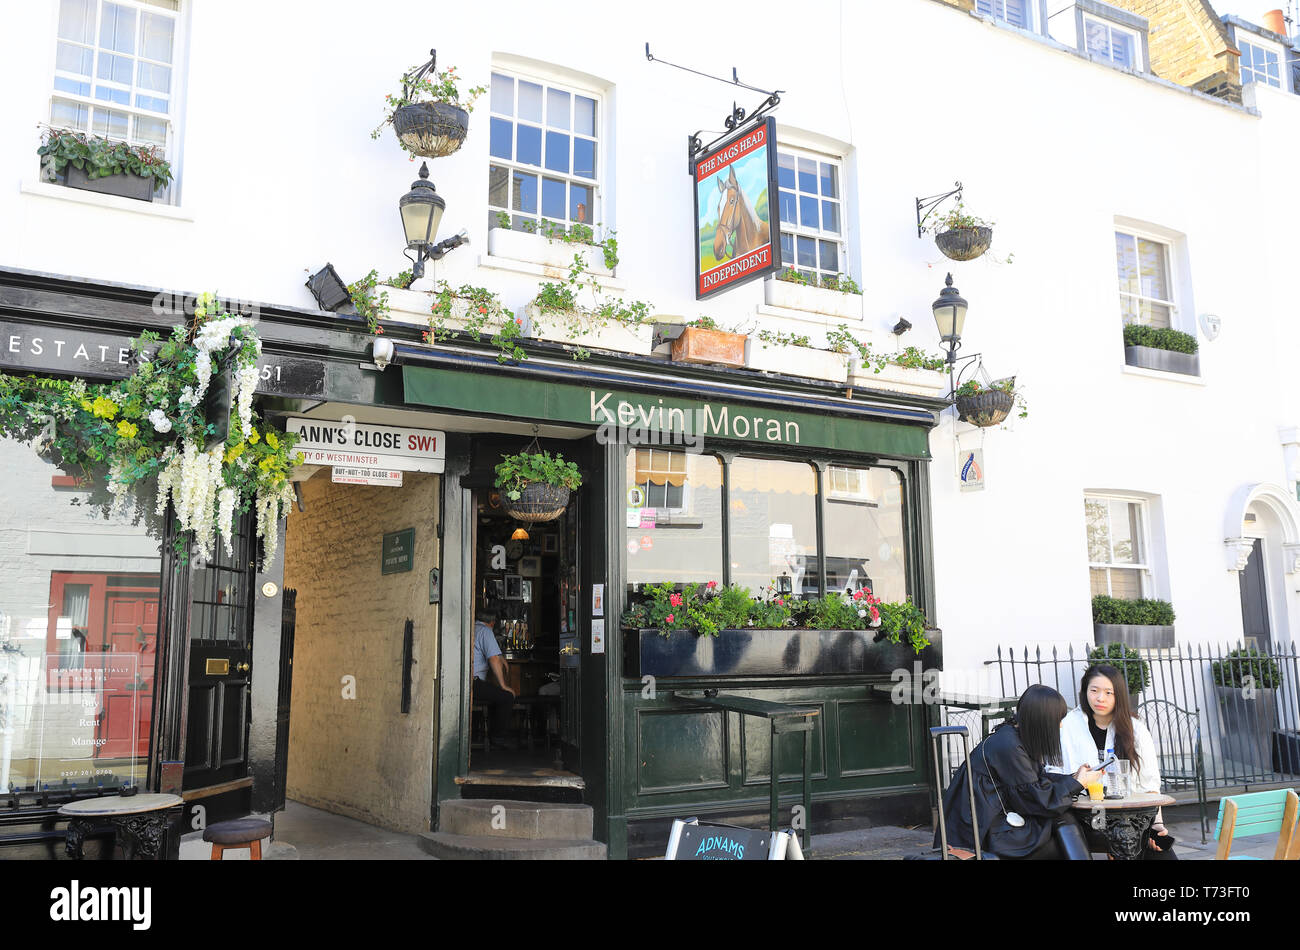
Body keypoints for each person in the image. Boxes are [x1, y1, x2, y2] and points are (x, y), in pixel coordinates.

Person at [937, 685, 1103, 859]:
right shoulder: (1008, 745)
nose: (1060, 726)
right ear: (1042, 720)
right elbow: (1036, 799)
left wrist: (1074, 778)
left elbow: (1034, 781)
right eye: (1057, 720)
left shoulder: (1014, 736)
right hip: (984, 832)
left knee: (1065, 820)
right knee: (1062, 827)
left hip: (998, 819)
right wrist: (1076, 784)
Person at [1057, 664, 1175, 859]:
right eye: (1094, 690)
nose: (1100, 698)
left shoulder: (1135, 730)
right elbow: (1057, 774)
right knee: (1124, 842)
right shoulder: (1068, 726)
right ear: (1085, 691)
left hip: (1130, 816)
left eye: (1108, 692)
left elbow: (1150, 784)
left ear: (1118, 695)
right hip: (1085, 817)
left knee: (1162, 854)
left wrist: (1157, 825)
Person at [472, 609, 516, 751]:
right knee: (507, 697)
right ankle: (499, 737)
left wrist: (500, 656)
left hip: (466, 682)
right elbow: (493, 659)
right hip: (475, 684)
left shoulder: (473, 628)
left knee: (494, 694)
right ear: (492, 622)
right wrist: (503, 685)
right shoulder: (486, 631)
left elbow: (494, 654)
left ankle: (486, 733)